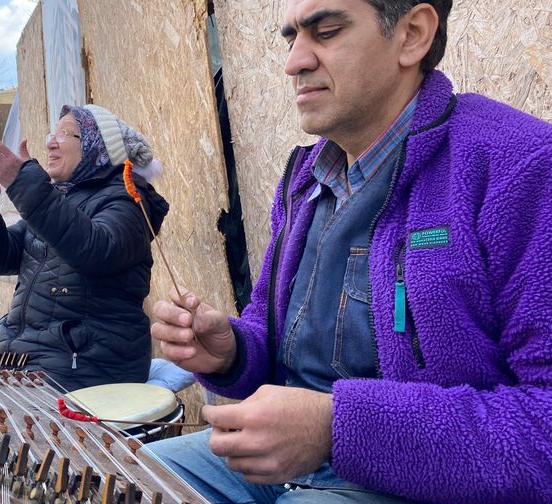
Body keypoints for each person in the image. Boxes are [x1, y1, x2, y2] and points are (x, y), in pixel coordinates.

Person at [147, 1, 552, 503]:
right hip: (280, 469)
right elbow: (275, 336)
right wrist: (232, 352)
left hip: (423, 486)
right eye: (290, 38)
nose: (294, 61)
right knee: (127, 476)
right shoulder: (305, 178)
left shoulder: (520, 166)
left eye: (327, 31)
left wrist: (335, 428)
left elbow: (543, 431)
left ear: (413, 34)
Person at [0, 104, 169, 392]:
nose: (50, 142)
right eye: (52, 134)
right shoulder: (57, 201)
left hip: (85, 368)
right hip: (25, 360)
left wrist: (25, 185)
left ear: (99, 145)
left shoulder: (127, 199)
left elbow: (97, 250)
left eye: (67, 134)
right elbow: (3, 258)